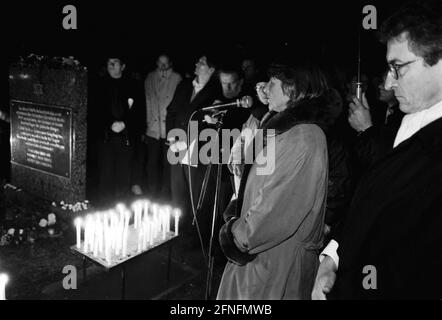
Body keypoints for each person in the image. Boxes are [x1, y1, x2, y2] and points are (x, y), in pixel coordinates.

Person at [312, 0, 442, 300]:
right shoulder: (405, 120)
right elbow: (371, 199)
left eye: (398, 68)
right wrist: (333, 257)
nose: (387, 81)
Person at [217, 61, 335, 300]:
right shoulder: (284, 130)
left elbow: (270, 217)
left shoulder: (302, 139)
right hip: (262, 261)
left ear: (294, 88)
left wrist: (234, 234)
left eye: (272, 83)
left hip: (273, 267)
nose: (264, 89)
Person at [165, 53, 222, 245]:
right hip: (177, 147)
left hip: (199, 151)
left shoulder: (217, 92)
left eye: (202, 63)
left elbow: (213, 125)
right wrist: (173, 136)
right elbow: (171, 111)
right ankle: (176, 230)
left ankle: (196, 236)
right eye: (197, 61)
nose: (197, 64)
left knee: (197, 195)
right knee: (178, 192)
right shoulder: (184, 85)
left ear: (212, 69)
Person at [91, 56, 145, 206]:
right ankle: (105, 210)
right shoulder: (99, 85)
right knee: (105, 176)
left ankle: (121, 211)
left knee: (124, 176)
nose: (111, 65)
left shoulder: (133, 85)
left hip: (126, 138)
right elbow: (94, 111)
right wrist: (109, 124)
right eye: (109, 62)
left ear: (123, 66)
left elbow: (140, 112)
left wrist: (125, 123)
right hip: (105, 138)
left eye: (115, 62)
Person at [133, 53, 182, 199]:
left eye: (165, 63)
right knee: (152, 163)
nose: (163, 66)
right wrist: (146, 126)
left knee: (168, 163)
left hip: (169, 128)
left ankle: (166, 192)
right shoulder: (150, 78)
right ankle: (153, 191)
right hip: (153, 128)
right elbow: (147, 103)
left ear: (170, 63)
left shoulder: (177, 79)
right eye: (160, 63)